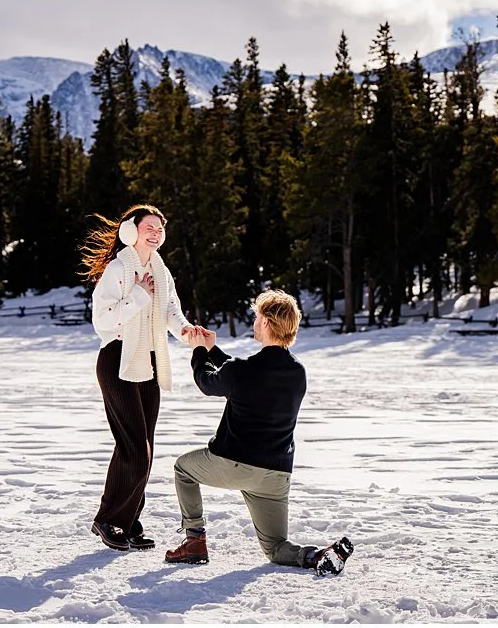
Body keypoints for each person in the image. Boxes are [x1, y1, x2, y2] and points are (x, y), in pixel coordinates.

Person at [164, 289, 353, 575]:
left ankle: (194, 542)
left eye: (256, 317)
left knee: (183, 470)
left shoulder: (244, 371)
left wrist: (199, 350)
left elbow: (208, 382)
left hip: (234, 463)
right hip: (276, 476)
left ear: (265, 322)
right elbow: (242, 375)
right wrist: (212, 350)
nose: (253, 322)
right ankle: (318, 556)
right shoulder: (297, 372)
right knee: (276, 548)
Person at [79, 204, 205, 551]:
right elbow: (103, 322)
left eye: (160, 228)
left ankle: (128, 520)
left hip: (147, 362)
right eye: (149, 226)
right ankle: (109, 520)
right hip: (117, 359)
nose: (156, 232)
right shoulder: (118, 270)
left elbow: (171, 312)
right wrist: (139, 294)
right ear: (131, 231)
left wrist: (186, 330)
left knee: (144, 448)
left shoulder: (162, 272)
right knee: (134, 447)